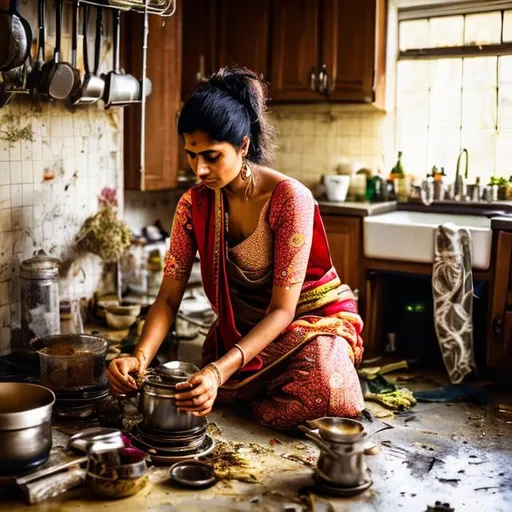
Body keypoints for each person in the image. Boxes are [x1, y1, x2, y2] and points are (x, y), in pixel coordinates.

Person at [107, 67, 365, 431]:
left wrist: (217, 371)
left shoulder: (290, 199)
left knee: (327, 389)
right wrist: (139, 357)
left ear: (243, 146)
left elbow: (281, 310)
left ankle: (244, 387)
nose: (199, 169)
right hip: (242, 332)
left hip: (306, 325)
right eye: (191, 154)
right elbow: (168, 298)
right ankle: (247, 385)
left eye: (212, 156)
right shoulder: (193, 204)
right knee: (204, 376)